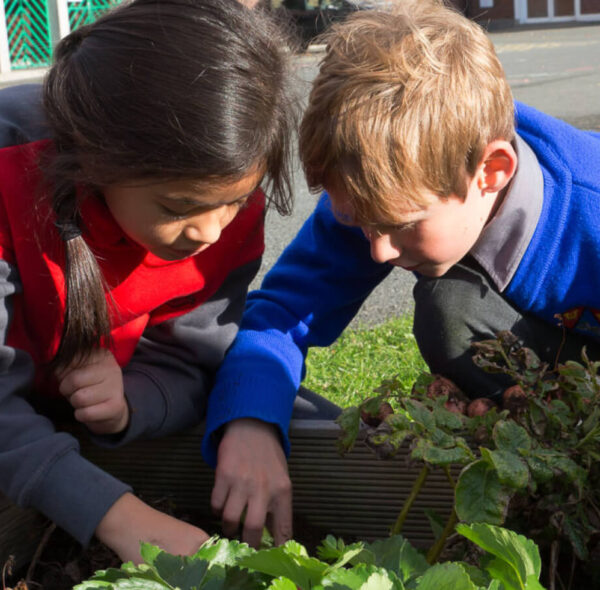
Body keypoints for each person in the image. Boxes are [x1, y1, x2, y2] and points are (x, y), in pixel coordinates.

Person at [202, 0, 600, 549]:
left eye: (399, 226)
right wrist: (250, 421)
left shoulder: (590, 211)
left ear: (492, 171)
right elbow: (284, 312)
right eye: (358, 224)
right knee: (450, 308)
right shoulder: (379, 189)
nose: (380, 250)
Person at [0, 0, 301, 563]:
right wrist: (123, 520)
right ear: (96, 159)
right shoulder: (8, 160)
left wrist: (130, 403)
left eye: (234, 202)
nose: (210, 232)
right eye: (177, 206)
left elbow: (191, 357)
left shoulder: (227, 210)